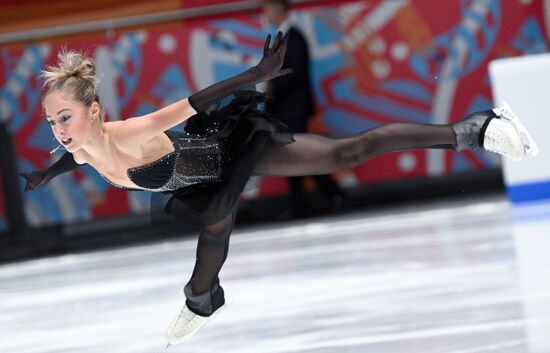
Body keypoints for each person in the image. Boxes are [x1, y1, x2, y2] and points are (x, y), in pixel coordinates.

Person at [19, 32, 537, 345]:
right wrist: (48, 172)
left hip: (228, 152)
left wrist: (255, 73)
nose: (59, 131)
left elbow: (193, 104)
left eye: (65, 117)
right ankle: (201, 300)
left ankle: (478, 128)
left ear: (94, 111)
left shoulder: (130, 133)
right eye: (51, 122)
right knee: (214, 222)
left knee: (344, 153)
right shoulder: (83, 148)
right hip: (202, 181)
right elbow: (74, 157)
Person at [263, 0, 346, 217]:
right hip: (288, 109)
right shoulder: (286, 37)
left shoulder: (293, 37)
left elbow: (293, 71)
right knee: (298, 158)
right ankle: (325, 196)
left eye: (268, 8)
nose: (266, 13)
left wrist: (271, 88)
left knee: (296, 157)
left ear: (278, 9)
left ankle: (314, 200)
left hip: (293, 109)